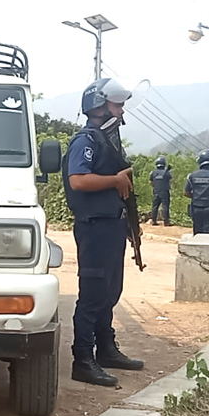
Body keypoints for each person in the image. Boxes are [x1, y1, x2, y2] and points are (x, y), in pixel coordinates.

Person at [62, 78, 147, 388]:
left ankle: (106, 349)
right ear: (99, 106)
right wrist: (113, 180)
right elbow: (78, 181)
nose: (122, 109)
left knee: (110, 291)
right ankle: (83, 359)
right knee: (93, 294)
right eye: (117, 103)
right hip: (94, 227)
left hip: (110, 225)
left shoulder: (108, 138)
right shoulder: (86, 140)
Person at [149, 155, 172, 226]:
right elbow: (170, 179)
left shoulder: (153, 172)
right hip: (164, 191)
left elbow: (151, 182)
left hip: (156, 191)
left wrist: (156, 186)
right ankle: (166, 222)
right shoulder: (166, 172)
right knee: (165, 206)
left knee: (155, 206)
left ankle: (153, 220)